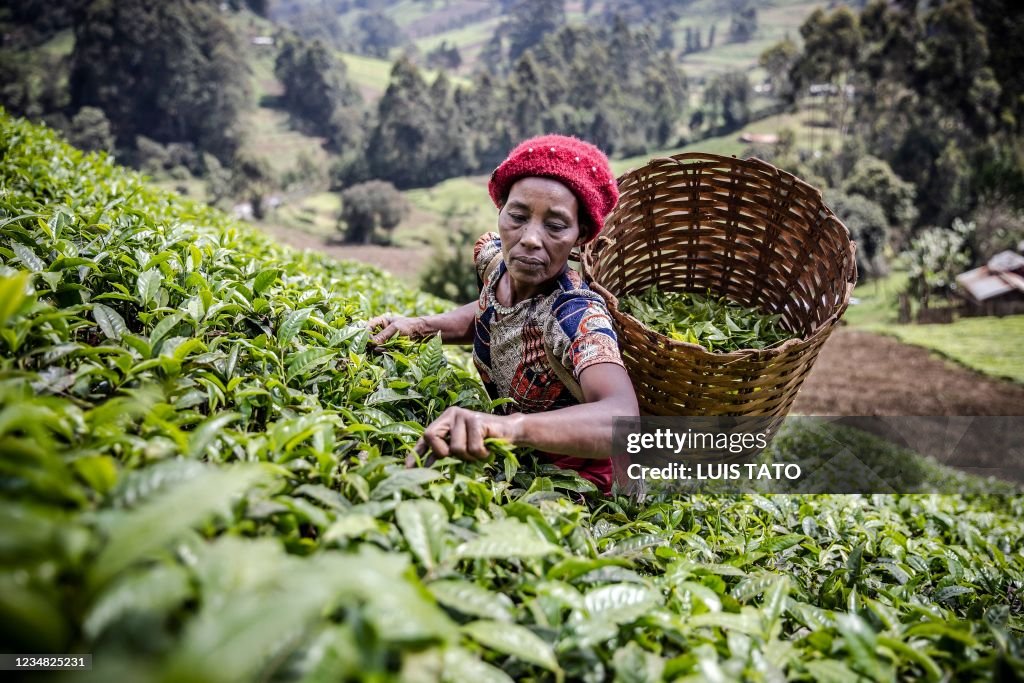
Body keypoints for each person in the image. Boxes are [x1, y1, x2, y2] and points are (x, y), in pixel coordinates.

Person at [368, 134, 639, 493]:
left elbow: (623, 421)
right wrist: (420, 327)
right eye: (518, 216)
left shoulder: (576, 315)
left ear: (580, 236)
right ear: (501, 211)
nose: (529, 237)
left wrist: (511, 428)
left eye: (555, 225)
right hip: (510, 455)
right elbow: (491, 311)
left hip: (571, 481)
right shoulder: (494, 260)